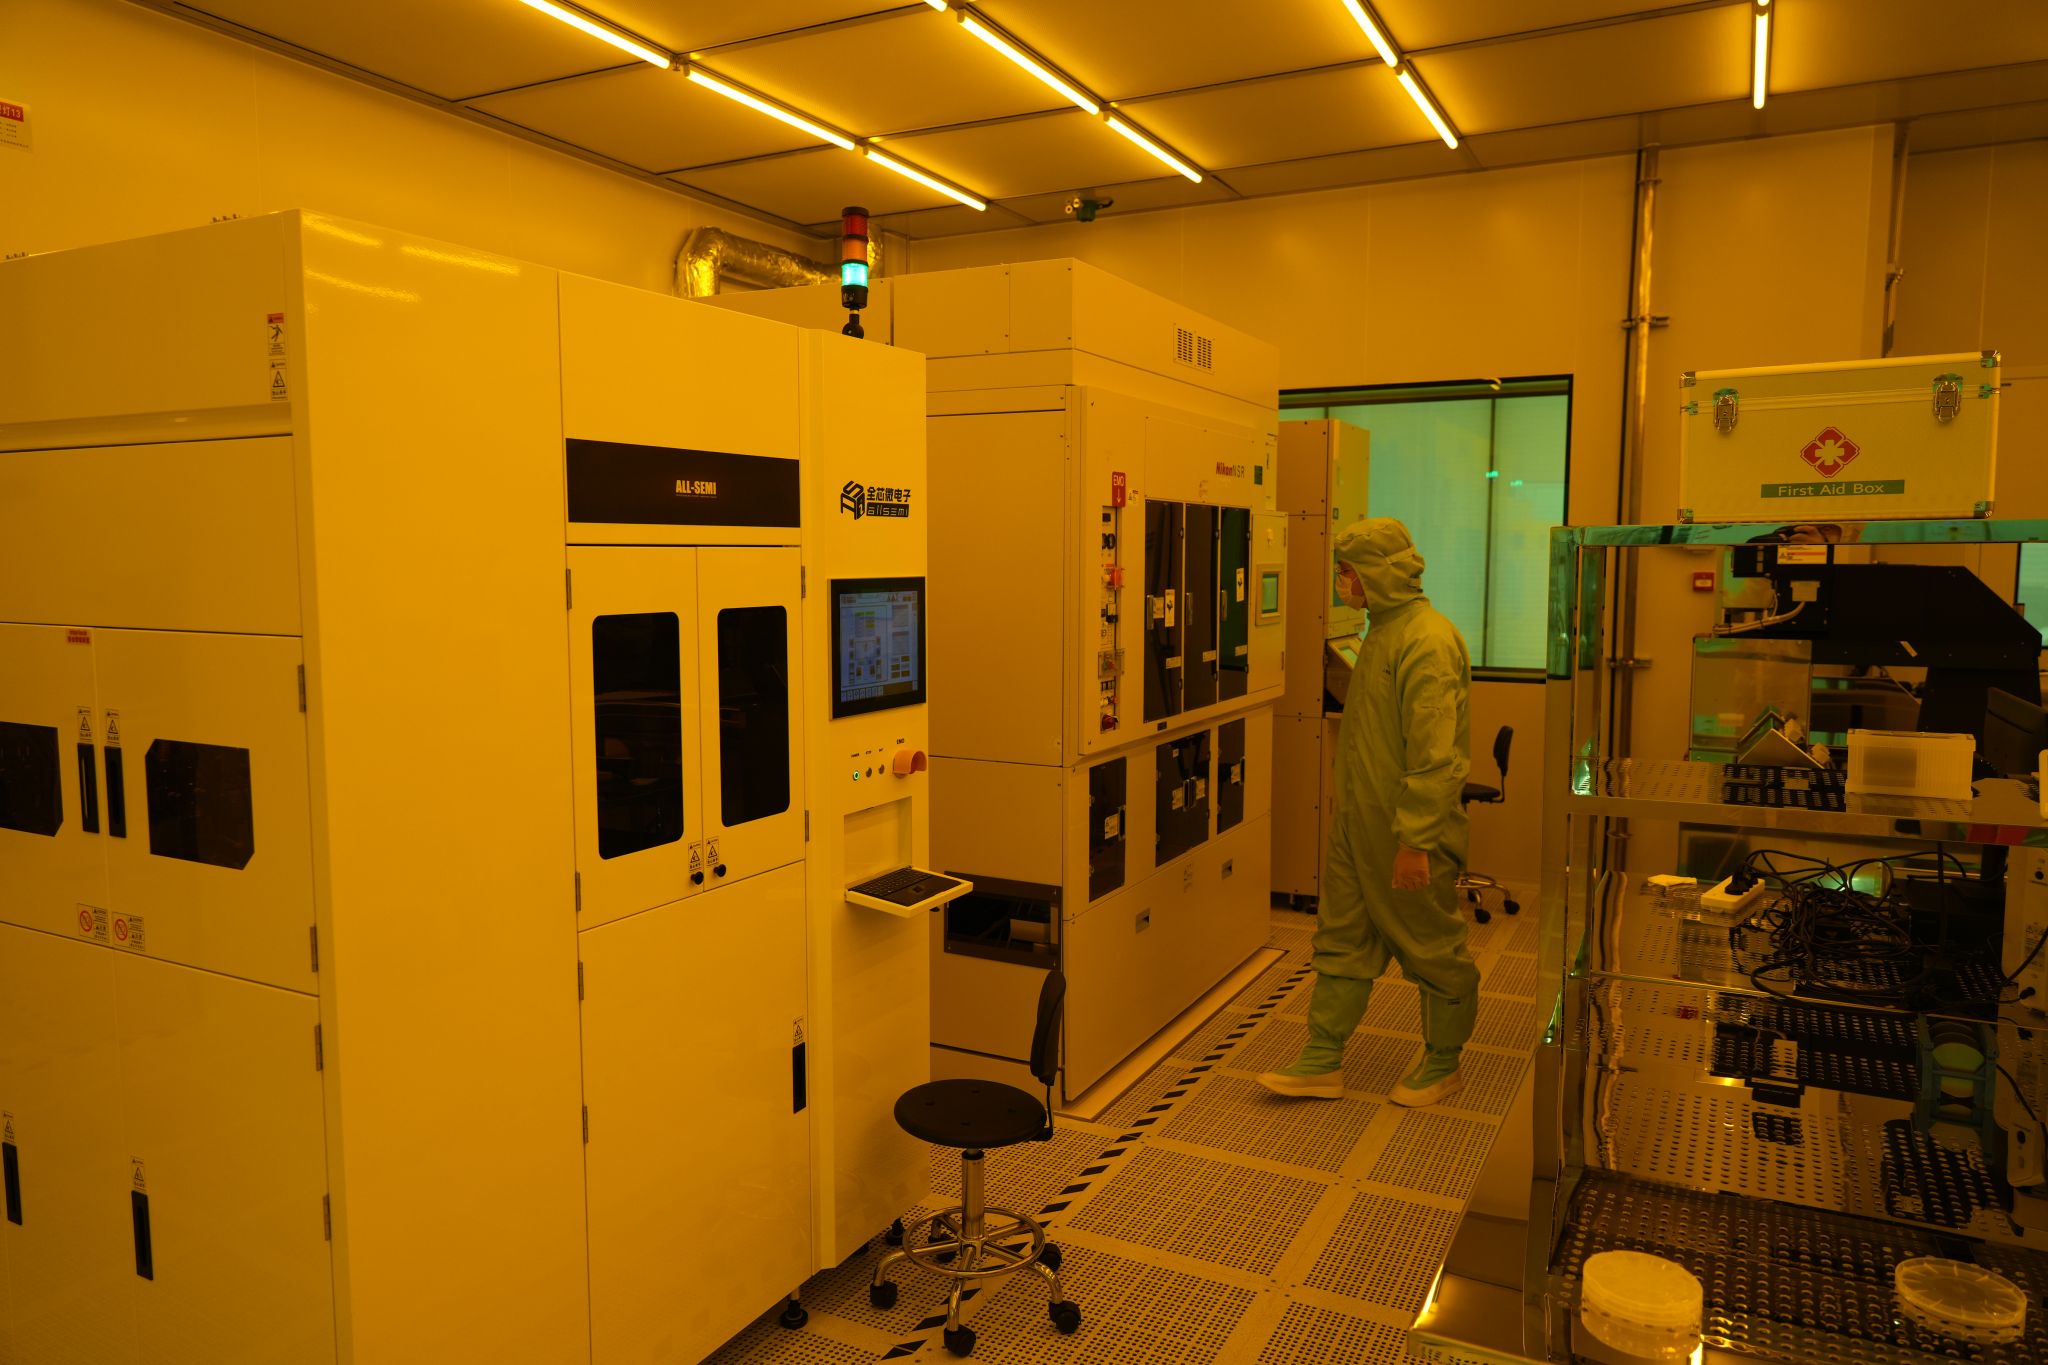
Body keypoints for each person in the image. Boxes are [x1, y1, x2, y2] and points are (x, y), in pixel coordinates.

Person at [1258, 517, 1478, 1106]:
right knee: (1342, 937)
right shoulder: (1380, 631)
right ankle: (1322, 1058)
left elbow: (1435, 757)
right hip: (1358, 825)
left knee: (1431, 945)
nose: (1341, 582)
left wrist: (1415, 841)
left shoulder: (1427, 641)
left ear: (1378, 572)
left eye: (1346, 571)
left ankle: (1443, 1061)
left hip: (1408, 832)